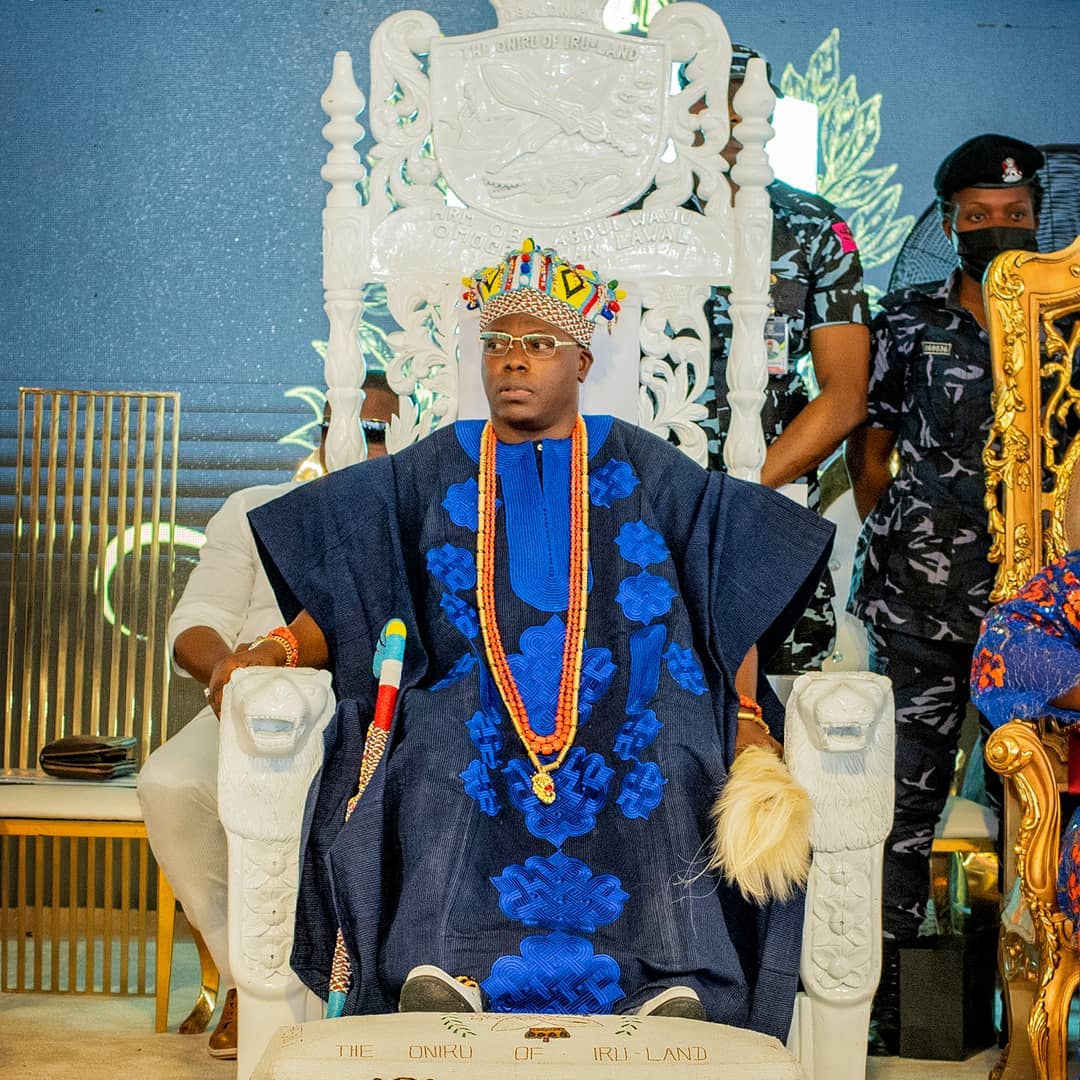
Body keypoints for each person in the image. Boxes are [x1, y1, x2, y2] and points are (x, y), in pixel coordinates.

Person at [208, 239, 834, 1038]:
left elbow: (726, 588)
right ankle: (441, 971)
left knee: (672, 753)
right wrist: (276, 651)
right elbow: (356, 582)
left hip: (630, 706)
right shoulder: (426, 470)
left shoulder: (648, 466)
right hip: (468, 703)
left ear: (580, 360)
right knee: (434, 755)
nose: (512, 363)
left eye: (538, 346)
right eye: (498, 345)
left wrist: (746, 717)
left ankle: (676, 980)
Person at [846, 133, 1044, 1054]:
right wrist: (908, 536)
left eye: (1014, 217)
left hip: (1036, 612)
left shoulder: (1067, 325)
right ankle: (877, 1004)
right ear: (951, 224)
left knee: (1032, 807)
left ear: (1039, 218)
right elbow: (872, 443)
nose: (997, 231)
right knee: (899, 807)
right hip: (919, 603)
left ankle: (1031, 1010)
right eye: (978, 219)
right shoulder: (907, 320)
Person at [136, 373, 399, 1059]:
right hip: (249, 702)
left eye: (384, 431)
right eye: (356, 427)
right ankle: (245, 975)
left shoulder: (413, 524)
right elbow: (195, 621)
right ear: (324, 436)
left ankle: (344, 987)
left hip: (365, 710)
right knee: (168, 782)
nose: (368, 442)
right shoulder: (256, 509)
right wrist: (226, 668)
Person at [697, 44, 870, 674]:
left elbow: (846, 394)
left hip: (762, 498)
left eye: (748, 106)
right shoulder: (635, 222)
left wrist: (743, 490)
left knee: (781, 689)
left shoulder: (812, 226)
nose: (732, 122)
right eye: (714, 103)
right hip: (644, 507)